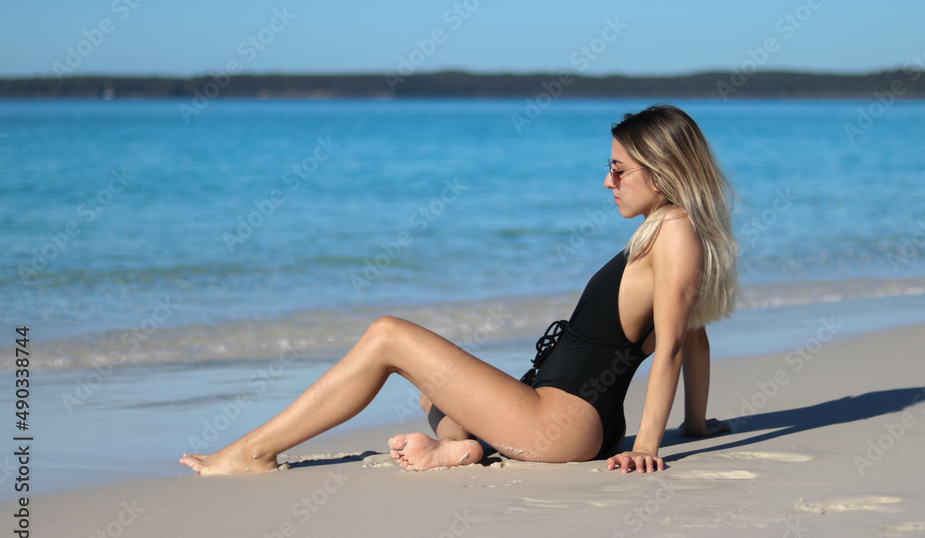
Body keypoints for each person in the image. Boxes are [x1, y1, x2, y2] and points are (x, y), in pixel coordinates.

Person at [180, 104, 738, 476]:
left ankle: (252, 452)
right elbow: (696, 338)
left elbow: (670, 347)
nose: (607, 182)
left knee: (386, 336)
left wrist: (646, 449)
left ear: (661, 173)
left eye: (620, 171)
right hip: (559, 412)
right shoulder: (668, 231)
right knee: (430, 389)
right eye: (608, 168)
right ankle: (467, 447)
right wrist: (692, 425)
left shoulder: (675, 232)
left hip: (561, 423)